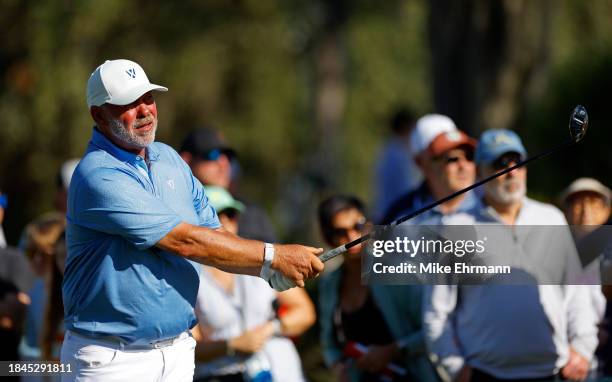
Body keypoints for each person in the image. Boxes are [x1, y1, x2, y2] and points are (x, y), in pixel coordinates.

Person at [60, 58, 324, 381]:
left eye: (148, 98)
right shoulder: (96, 174)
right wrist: (274, 256)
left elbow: (214, 234)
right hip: (112, 359)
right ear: (98, 115)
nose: (145, 110)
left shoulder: (170, 159)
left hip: (178, 354)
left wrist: (265, 271)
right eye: (129, 103)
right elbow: (184, 240)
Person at [424, 129, 600, 382]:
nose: (512, 171)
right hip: (484, 374)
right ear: (481, 172)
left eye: (517, 162)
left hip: (554, 372)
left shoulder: (551, 218)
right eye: (500, 164)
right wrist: (454, 367)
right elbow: (436, 312)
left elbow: (577, 295)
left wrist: (583, 349)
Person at [192, 186, 314, 381]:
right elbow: (189, 345)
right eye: (215, 214)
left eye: (230, 215)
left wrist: (269, 329)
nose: (224, 222)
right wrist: (232, 344)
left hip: (279, 369)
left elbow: (304, 311)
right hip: (220, 375)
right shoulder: (188, 274)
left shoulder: (261, 259)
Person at [318, 195, 439, 382]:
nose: (352, 238)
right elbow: (329, 344)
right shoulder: (329, 284)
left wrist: (395, 350)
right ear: (328, 238)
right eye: (340, 232)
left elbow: (434, 329)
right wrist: (338, 366)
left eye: (357, 227)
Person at [179, 128, 277, 243]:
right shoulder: (169, 206)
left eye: (228, 157)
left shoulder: (251, 214)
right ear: (185, 160)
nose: (224, 164)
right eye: (213, 155)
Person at [380, 114, 477, 225]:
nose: (463, 166)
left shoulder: (493, 206)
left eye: (470, 156)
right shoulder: (398, 215)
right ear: (421, 162)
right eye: (451, 158)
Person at [560, 177, 612, 377]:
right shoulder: (554, 252)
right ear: (566, 211)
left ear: (607, 211)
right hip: (567, 360)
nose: (585, 210)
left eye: (593, 203)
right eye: (578, 203)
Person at [373, 108, 422, 222]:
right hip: (396, 219)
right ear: (406, 127)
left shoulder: (387, 151)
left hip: (387, 217)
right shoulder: (398, 156)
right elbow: (406, 191)